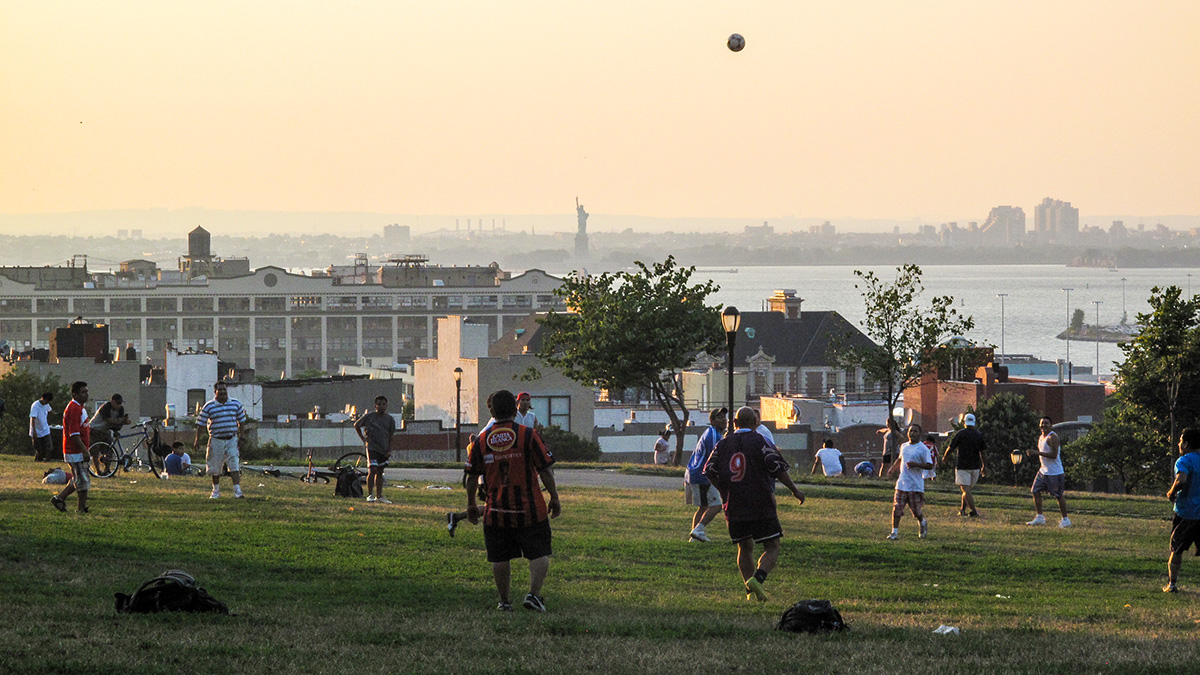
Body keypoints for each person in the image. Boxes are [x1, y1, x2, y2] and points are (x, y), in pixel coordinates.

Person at [466, 389, 561, 612]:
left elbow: (471, 476)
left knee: (500, 557)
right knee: (538, 552)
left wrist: (471, 504)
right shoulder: (528, 435)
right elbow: (546, 471)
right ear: (514, 408)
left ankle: (504, 601)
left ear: (492, 410)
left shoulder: (481, 440)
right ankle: (534, 595)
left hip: (495, 510)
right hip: (531, 508)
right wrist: (554, 497)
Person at [703, 407, 805, 602]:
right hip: (760, 502)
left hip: (734, 505)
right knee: (772, 545)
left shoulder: (723, 444)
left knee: (744, 547)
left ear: (734, 423)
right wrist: (795, 490)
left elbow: (709, 470)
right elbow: (777, 468)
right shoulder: (760, 441)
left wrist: (724, 490)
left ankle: (750, 592)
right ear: (755, 423)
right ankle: (757, 579)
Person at [194, 382, 247, 499]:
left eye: (224, 390)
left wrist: (242, 435)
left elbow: (241, 421)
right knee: (215, 466)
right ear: (215, 392)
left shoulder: (235, 404)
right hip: (216, 439)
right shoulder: (209, 406)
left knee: (234, 464)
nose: (223, 392)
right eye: (220, 390)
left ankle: (237, 491)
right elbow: (201, 425)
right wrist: (197, 440)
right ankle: (216, 491)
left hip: (231, 439)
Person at [1165, 428, 1200, 593]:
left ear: (1186, 444)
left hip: (1186, 513)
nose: (1179, 444)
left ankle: (1172, 584)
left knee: (1176, 549)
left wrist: (1172, 493)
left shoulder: (1184, 461)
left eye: (1180, 441)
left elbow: (1182, 479)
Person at [685, 407, 727, 542]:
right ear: (712, 420)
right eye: (719, 417)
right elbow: (716, 457)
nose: (724, 420)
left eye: (724, 417)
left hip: (695, 474)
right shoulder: (714, 435)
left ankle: (695, 536)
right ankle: (698, 530)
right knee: (716, 505)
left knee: (703, 507)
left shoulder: (710, 432)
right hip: (703, 475)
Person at [886, 423, 934, 540]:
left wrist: (916, 464)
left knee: (916, 511)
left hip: (915, 485)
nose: (912, 433)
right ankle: (894, 533)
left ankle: (922, 522)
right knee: (897, 508)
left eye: (915, 431)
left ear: (920, 434)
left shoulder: (923, 449)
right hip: (902, 483)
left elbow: (929, 465)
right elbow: (900, 459)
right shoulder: (904, 446)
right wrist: (892, 469)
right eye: (910, 431)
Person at [50, 381, 91, 514]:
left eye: (87, 391)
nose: (86, 394)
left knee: (76, 478)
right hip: (75, 451)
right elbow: (73, 434)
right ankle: (81, 509)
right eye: (83, 392)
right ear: (75, 394)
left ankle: (59, 499)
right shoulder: (73, 409)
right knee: (82, 481)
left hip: (79, 450)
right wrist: (84, 450)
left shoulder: (80, 408)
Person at [1026, 416, 1070, 527]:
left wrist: (1037, 453)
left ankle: (1065, 520)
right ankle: (1040, 517)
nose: (1043, 425)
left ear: (1051, 425)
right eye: (1042, 423)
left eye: (1046, 423)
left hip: (1055, 473)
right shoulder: (1041, 437)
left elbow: (1054, 455)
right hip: (1043, 472)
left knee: (1058, 496)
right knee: (1035, 491)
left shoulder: (1052, 437)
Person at [354, 395, 397, 504]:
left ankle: (379, 495)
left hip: (383, 448)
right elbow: (357, 425)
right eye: (379, 404)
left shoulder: (390, 419)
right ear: (375, 406)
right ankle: (370, 494)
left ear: (386, 406)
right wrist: (363, 438)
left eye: (383, 404)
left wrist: (389, 449)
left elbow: (391, 436)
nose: (381, 406)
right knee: (372, 470)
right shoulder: (369, 417)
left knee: (380, 471)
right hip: (372, 447)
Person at [944, 413, 987, 517]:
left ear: (964, 422)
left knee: (966, 490)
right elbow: (983, 452)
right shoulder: (979, 435)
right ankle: (962, 510)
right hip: (975, 467)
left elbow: (951, 447)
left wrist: (945, 457)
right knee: (967, 490)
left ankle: (974, 511)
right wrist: (984, 466)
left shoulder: (960, 434)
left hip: (962, 466)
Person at [29, 392, 54, 462]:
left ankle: (47, 460)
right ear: (43, 398)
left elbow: (50, 410)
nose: (47, 403)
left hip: (45, 429)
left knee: (49, 447)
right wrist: (34, 431)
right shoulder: (35, 406)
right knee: (39, 448)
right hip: (37, 429)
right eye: (46, 401)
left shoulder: (46, 405)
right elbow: (32, 418)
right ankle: (38, 459)